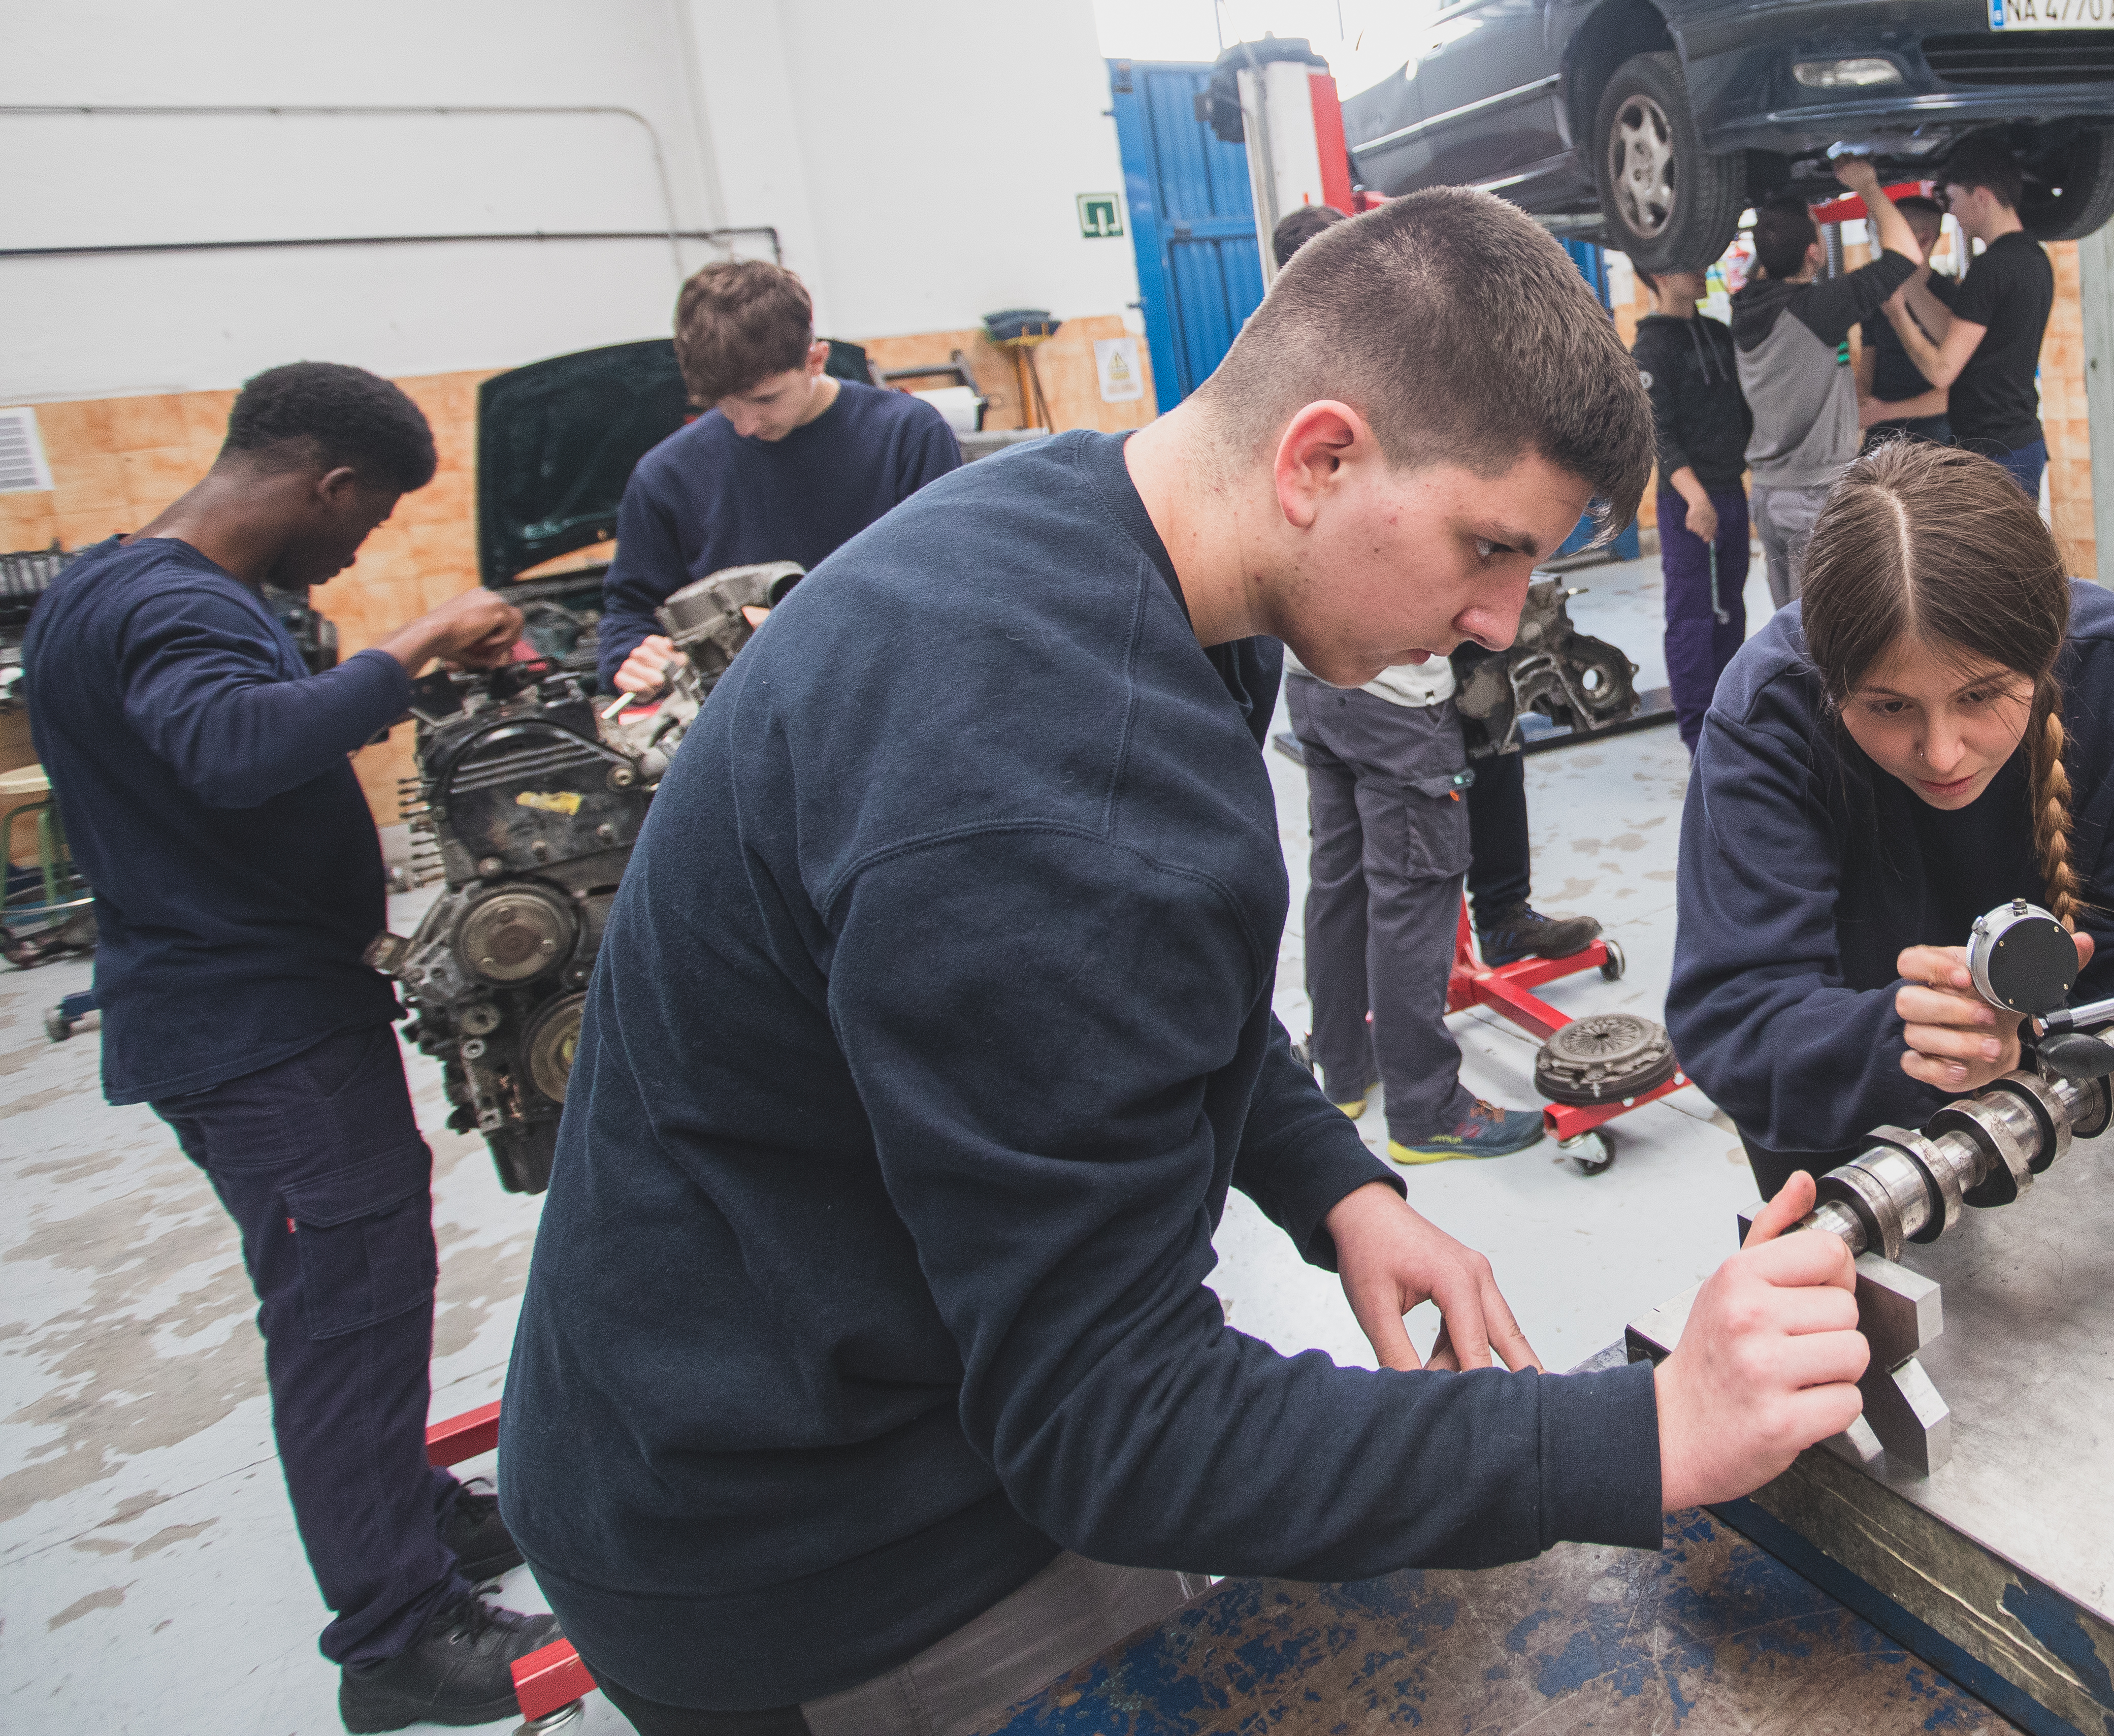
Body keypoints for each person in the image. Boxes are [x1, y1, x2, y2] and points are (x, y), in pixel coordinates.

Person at [500, 190, 1870, 1735]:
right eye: (1487, 547)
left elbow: (1154, 1002)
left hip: (821, 1361)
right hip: (811, 1538)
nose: (1498, 622)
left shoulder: (1111, 539)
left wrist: (1326, 1174)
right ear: (1321, 457)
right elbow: (1113, 1424)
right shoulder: (1055, 782)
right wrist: (1641, 1431)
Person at [20, 365, 561, 1732]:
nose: (360, 546)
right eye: (366, 519)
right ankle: (394, 1636)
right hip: (253, 1032)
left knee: (368, 1290)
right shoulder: (175, 603)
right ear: (326, 485)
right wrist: (419, 641)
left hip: (242, 1009)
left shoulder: (107, 577)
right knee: (342, 1314)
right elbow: (231, 746)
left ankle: (411, 1514)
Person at [1666, 442, 2114, 1193]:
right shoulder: (1768, 713)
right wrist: (1905, 1042)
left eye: (1980, 695)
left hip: (2101, 1162)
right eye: (1888, 706)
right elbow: (1736, 1022)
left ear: (2048, 655)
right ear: (1829, 683)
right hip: (1855, 1166)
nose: (1941, 754)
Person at [1269, 202, 1600, 975]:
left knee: (1490, 748)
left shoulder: (1395, 355)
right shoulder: (1327, 385)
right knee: (1405, 872)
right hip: (1388, 664)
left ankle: (1501, 917)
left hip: (1380, 654)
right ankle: (1414, 1061)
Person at [595, 260, 962, 695]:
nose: (746, 426)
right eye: (724, 405)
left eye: (765, 399)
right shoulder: (666, 474)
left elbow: (949, 590)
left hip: (893, 697)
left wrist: (802, 629)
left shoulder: (907, 434)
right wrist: (634, 655)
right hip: (748, 716)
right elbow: (630, 612)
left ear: (815, 359)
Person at [1734, 179, 1920, 606]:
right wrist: (1869, 185)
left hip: (1767, 493)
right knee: (1826, 634)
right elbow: (1907, 254)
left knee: (1792, 628)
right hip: (1813, 496)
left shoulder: (1746, 306)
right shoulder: (1817, 309)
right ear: (1815, 252)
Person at [1877, 139, 2055, 499]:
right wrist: (1911, 276)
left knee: (1990, 557)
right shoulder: (2034, 258)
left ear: (1982, 197)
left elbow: (1942, 370)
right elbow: (1955, 333)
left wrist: (1898, 316)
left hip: (1995, 453)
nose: (1953, 214)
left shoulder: (1990, 268)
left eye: (1955, 200)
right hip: (2019, 443)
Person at [1633, 265, 1754, 751]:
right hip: (1688, 502)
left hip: (1730, 490)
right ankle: (1698, 736)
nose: (1701, 271)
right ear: (1659, 274)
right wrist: (1696, 497)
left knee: (1731, 609)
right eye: (1688, 265)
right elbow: (1656, 434)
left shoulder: (1718, 335)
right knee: (1693, 617)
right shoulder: (1650, 351)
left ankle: (1731, 717)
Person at [1847, 184, 1956, 450]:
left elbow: (1955, 392)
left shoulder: (1951, 299)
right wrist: (1862, 414)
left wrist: (1886, 411)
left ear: (1923, 239)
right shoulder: (1879, 293)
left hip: (1933, 434)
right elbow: (1867, 370)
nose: (1883, 242)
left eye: (1891, 234)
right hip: (1882, 433)